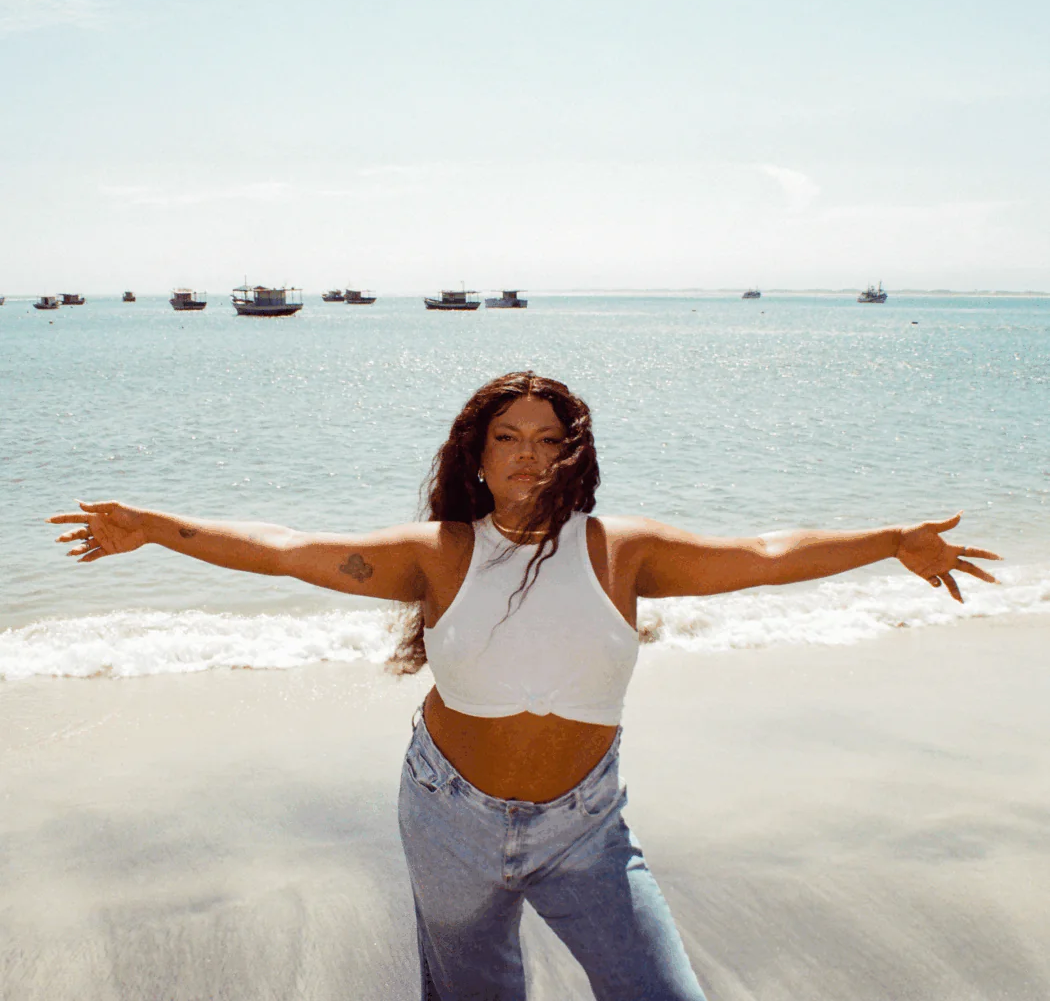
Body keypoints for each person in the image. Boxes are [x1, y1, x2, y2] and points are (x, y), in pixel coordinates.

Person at [50, 370, 1000, 1001]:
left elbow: (762, 554)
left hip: (587, 828)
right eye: (506, 437)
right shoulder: (439, 553)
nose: (527, 455)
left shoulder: (622, 550)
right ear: (477, 453)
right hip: (449, 820)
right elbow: (290, 550)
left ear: (573, 453)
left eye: (547, 439)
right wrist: (158, 528)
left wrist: (890, 542)